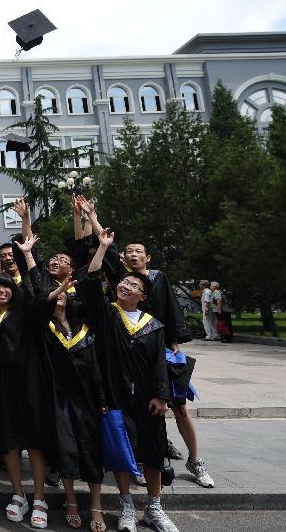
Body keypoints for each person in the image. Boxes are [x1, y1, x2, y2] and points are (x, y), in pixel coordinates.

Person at [79, 198, 214, 491]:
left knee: (178, 406)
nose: (133, 254)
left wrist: (175, 341)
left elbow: (170, 310)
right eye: (129, 251)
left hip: (160, 349)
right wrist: (92, 216)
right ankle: (140, 459)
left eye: (139, 251)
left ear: (148, 258)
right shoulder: (121, 278)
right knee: (134, 409)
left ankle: (195, 459)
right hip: (128, 354)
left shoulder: (157, 279)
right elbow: (107, 247)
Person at [84, 228, 179, 532]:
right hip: (114, 394)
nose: (125, 285)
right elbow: (91, 278)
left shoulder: (154, 326)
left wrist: (162, 395)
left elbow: (159, 364)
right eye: (123, 282)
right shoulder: (106, 315)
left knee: (153, 451)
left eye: (133, 284)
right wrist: (102, 247)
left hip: (148, 397)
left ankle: (153, 507)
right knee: (120, 450)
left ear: (143, 295)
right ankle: (126, 505)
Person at [0, 236, 57, 529]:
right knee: (9, 443)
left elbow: (41, 292)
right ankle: (19, 494)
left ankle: (39, 497)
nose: (2, 290)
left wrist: (28, 256)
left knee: (35, 442)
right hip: (2, 389)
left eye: (7, 286)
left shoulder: (27, 313)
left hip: (31, 385)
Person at [33, 263, 107, 532]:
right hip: (59, 398)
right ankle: (71, 500)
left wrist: (101, 398)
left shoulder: (84, 328)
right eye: (54, 292)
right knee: (66, 449)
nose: (59, 293)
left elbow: (96, 367)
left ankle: (96, 504)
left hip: (87, 398)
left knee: (91, 448)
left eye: (63, 291)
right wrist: (54, 286)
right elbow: (37, 305)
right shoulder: (43, 328)